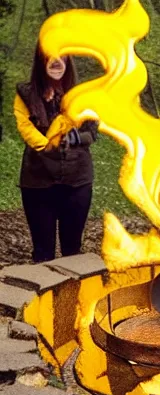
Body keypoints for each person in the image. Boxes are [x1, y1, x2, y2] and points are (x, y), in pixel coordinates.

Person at [13, 43, 98, 263]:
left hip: (77, 182)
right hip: (38, 182)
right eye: (50, 56)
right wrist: (50, 144)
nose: (56, 61)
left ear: (69, 60)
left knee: (72, 250)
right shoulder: (25, 94)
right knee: (43, 253)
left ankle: (72, 298)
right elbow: (26, 128)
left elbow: (91, 132)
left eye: (62, 56)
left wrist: (73, 138)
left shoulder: (84, 96)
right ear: (40, 61)